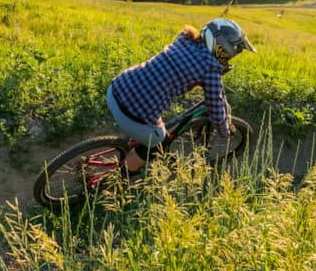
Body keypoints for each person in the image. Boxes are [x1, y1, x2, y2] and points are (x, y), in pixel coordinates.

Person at [106, 18, 256, 174]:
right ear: (223, 49)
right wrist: (225, 130)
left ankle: (133, 145)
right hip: (132, 113)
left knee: (151, 108)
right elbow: (216, 107)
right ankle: (120, 178)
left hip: (117, 87)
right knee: (158, 144)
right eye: (234, 52)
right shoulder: (210, 69)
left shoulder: (185, 38)